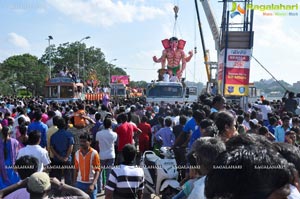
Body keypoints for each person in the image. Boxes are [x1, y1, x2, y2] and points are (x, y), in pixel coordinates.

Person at [74, 133, 100, 199]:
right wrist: (74, 182)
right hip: (79, 183)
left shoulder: (94, 153)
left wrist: (93, 184)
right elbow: (76, 169)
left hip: (90, 184)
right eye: (81, 141)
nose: (82, 143)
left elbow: (97, 171)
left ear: (90, 142)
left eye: (84, 141)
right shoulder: (77, 153)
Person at [50, 117, 74, 185]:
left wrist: (58, 156)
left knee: (57, 176)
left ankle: (58, 191)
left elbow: (51, 147)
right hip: (67, 159)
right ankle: (68, 191)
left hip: (57, 159)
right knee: (68, 176)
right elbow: (70, 146)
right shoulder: (69, 135)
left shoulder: (53, 136)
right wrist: (66, 156)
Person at [95, 118, 117, 193]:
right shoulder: (114, 134)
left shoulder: (99, 134)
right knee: (109, 174)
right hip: (111, 155)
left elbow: (97, 142)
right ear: (111, 125)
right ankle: (108, 190)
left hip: (101, 155)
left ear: (103, 125)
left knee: (99, 172)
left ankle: (99, 188)